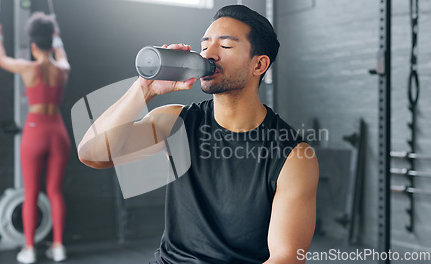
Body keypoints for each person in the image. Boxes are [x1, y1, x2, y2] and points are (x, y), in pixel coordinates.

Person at [78, 5, 318, 264]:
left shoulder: (293, 156)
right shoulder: (176, 123)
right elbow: (92, 154)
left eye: (225, 46)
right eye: (204, 45)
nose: (209, 54)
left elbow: (286, 257)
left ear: (259, 64)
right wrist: (144, 89)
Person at [0, 12, 70, 264]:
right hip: (58, 131)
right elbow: (63, 56)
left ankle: (29, 249)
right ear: (50, 42)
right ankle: (58, 247)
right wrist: (57, 40)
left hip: (36, 131)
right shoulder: (63, 70)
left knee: (31, 192)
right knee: (55, 192)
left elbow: (1, 59)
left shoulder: (28, 68)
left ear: (34, 46)